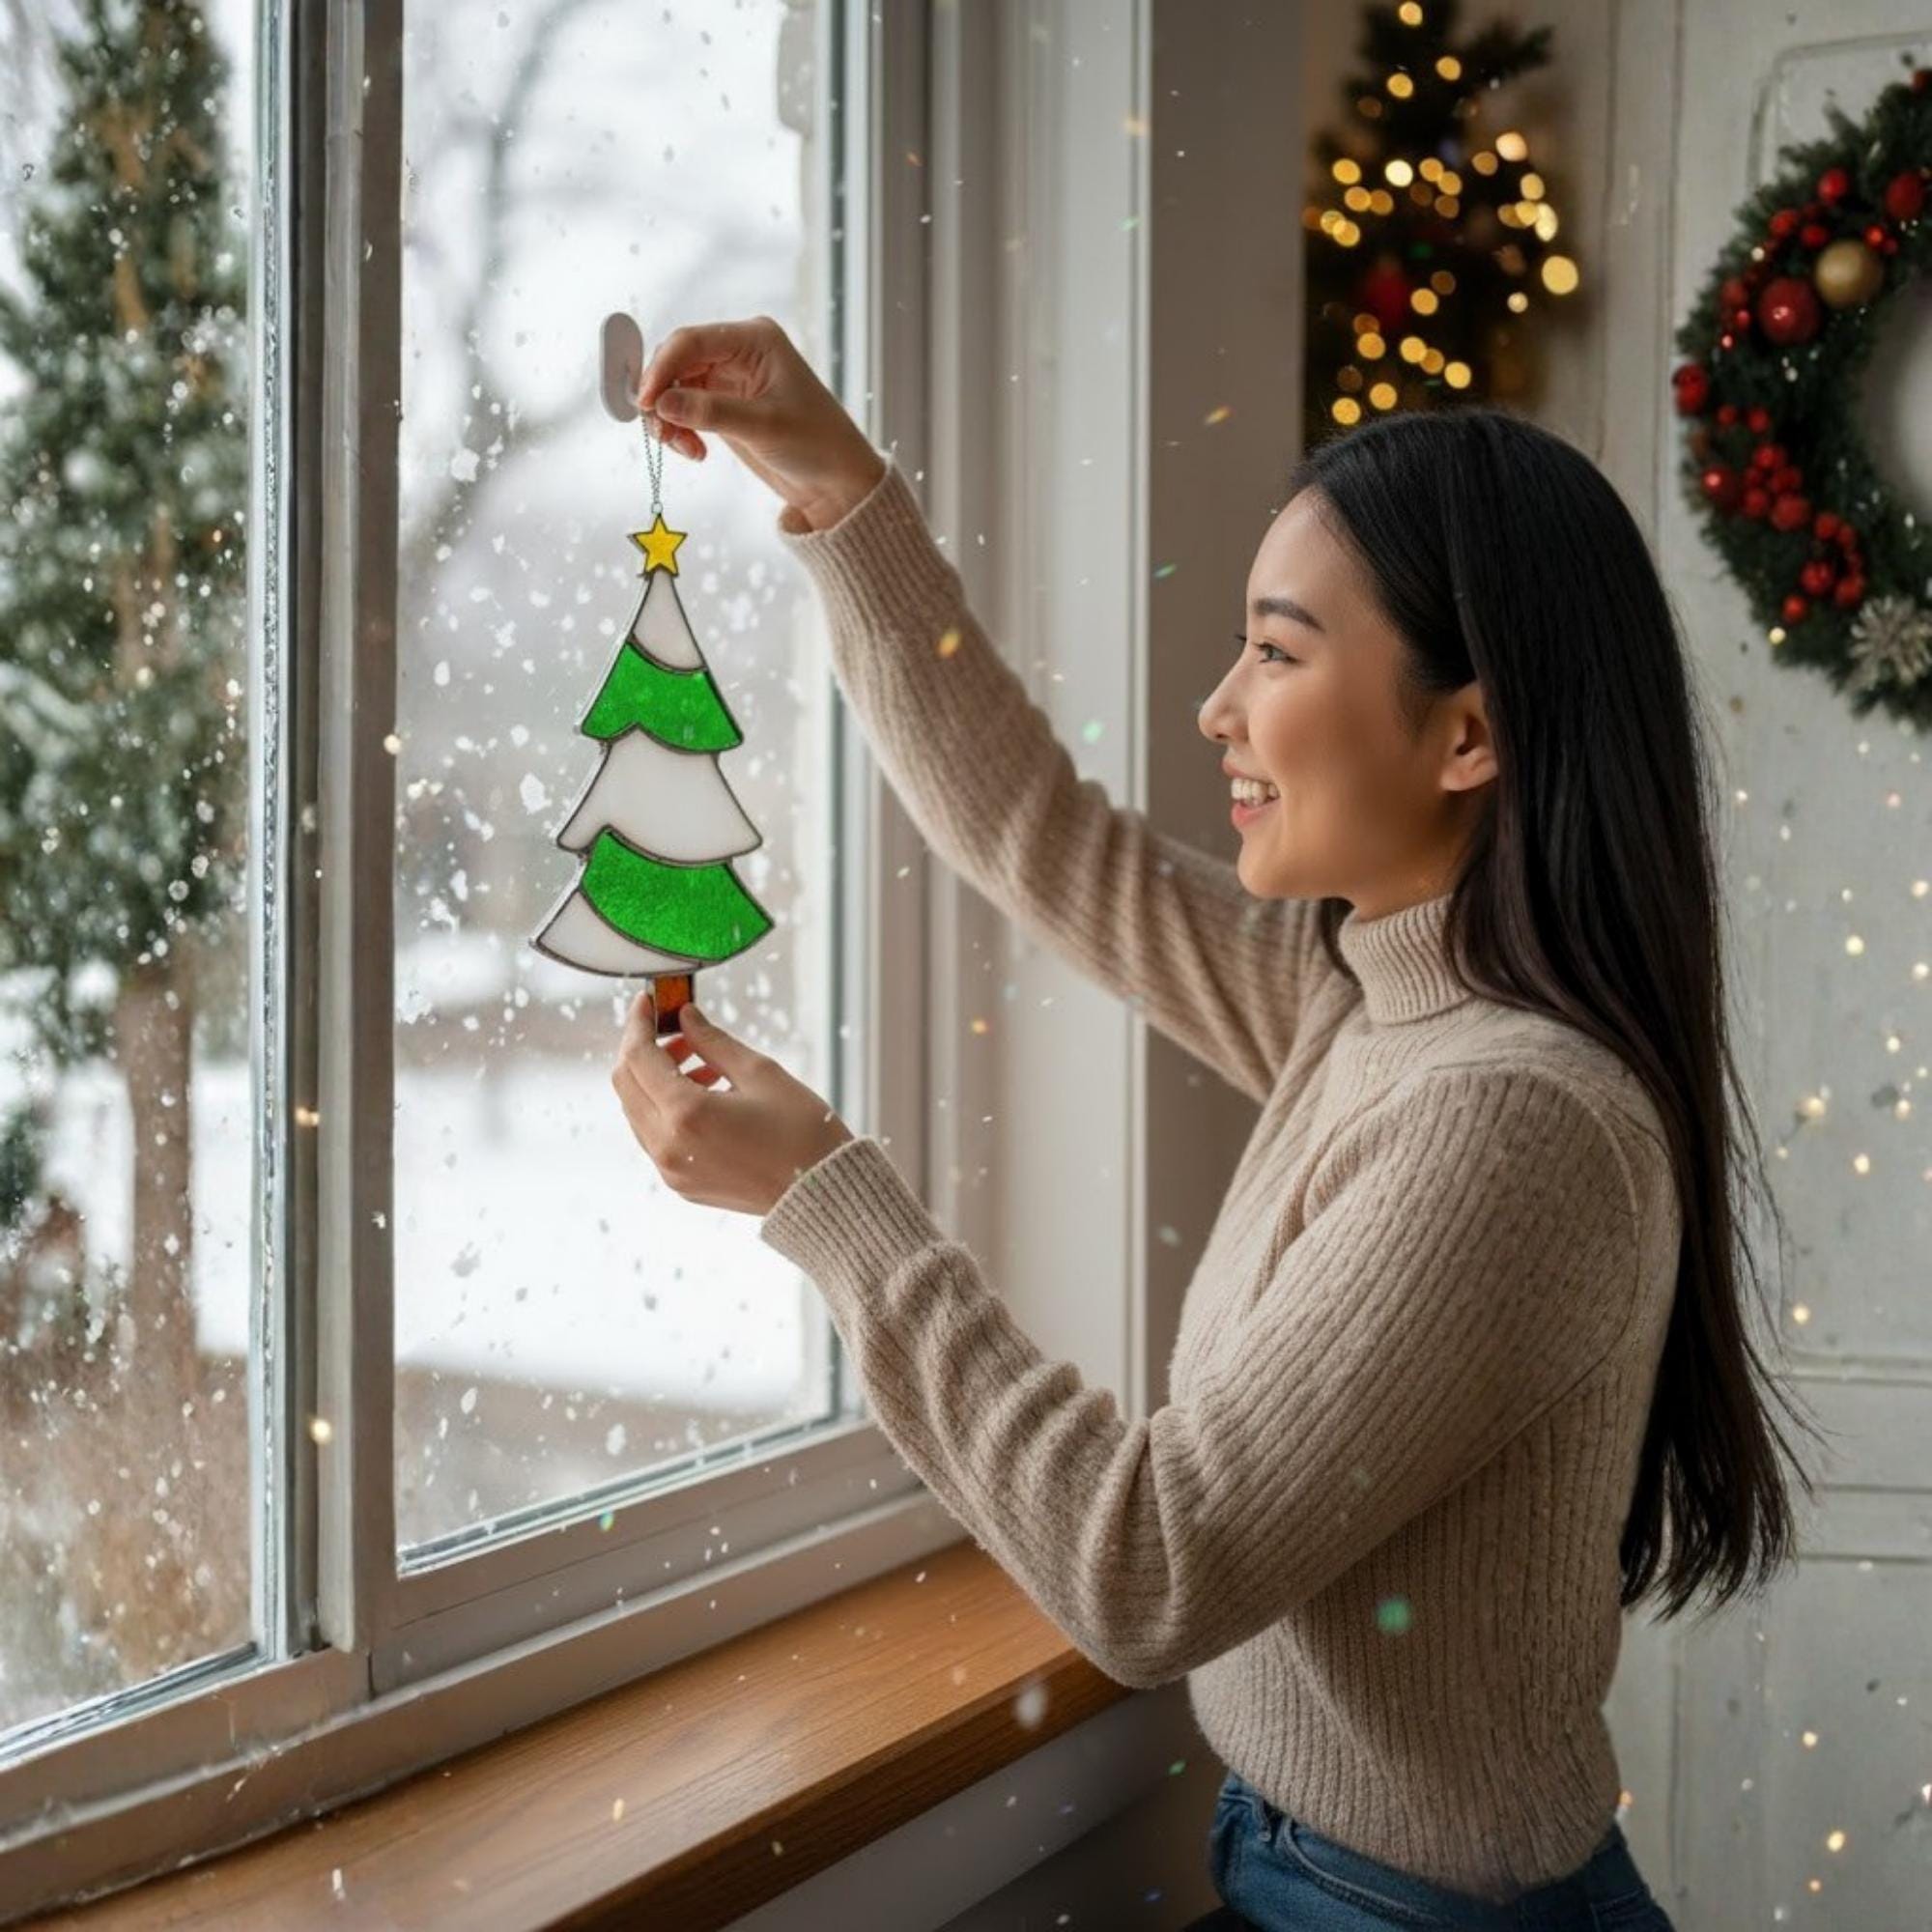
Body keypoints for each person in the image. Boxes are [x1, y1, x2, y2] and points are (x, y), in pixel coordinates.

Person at [609, 316, 1825, 1929]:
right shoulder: (1372, 999)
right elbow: (1040, 835)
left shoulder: (1517, 1127)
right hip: (1316, 1876)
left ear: (1468, 734)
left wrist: (831, 1201)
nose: (1217, 709)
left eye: (1278, 651)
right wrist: (838, 488)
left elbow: (1146, 1570)